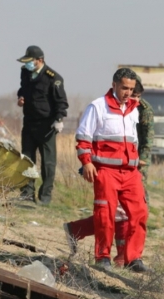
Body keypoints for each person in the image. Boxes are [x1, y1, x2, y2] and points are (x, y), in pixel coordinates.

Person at [64, 79, 152, 271]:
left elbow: (133, 141)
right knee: (106, 215)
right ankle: (102, 257)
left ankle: (133, 259)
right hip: (106, 171)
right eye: (125, 88)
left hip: (130, 172)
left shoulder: (134, 110)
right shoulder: (98, 107)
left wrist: (137, 161)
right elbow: (83, 137)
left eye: (131, 89)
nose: (128, 93)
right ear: (114, 85)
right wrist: (86, 162)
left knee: (140, 213)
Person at [16, 45, 68, 205]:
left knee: (48, 163)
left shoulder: (53, 78)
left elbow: (61, 102)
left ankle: (45, 197)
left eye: (30, 61)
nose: (27, 65)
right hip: (29, 123)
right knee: (27, 160)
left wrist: (59, 119)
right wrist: (21, 97)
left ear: (40, 60)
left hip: (46, 127)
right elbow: (22, 90)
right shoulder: (26, 72)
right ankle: (27, 193)